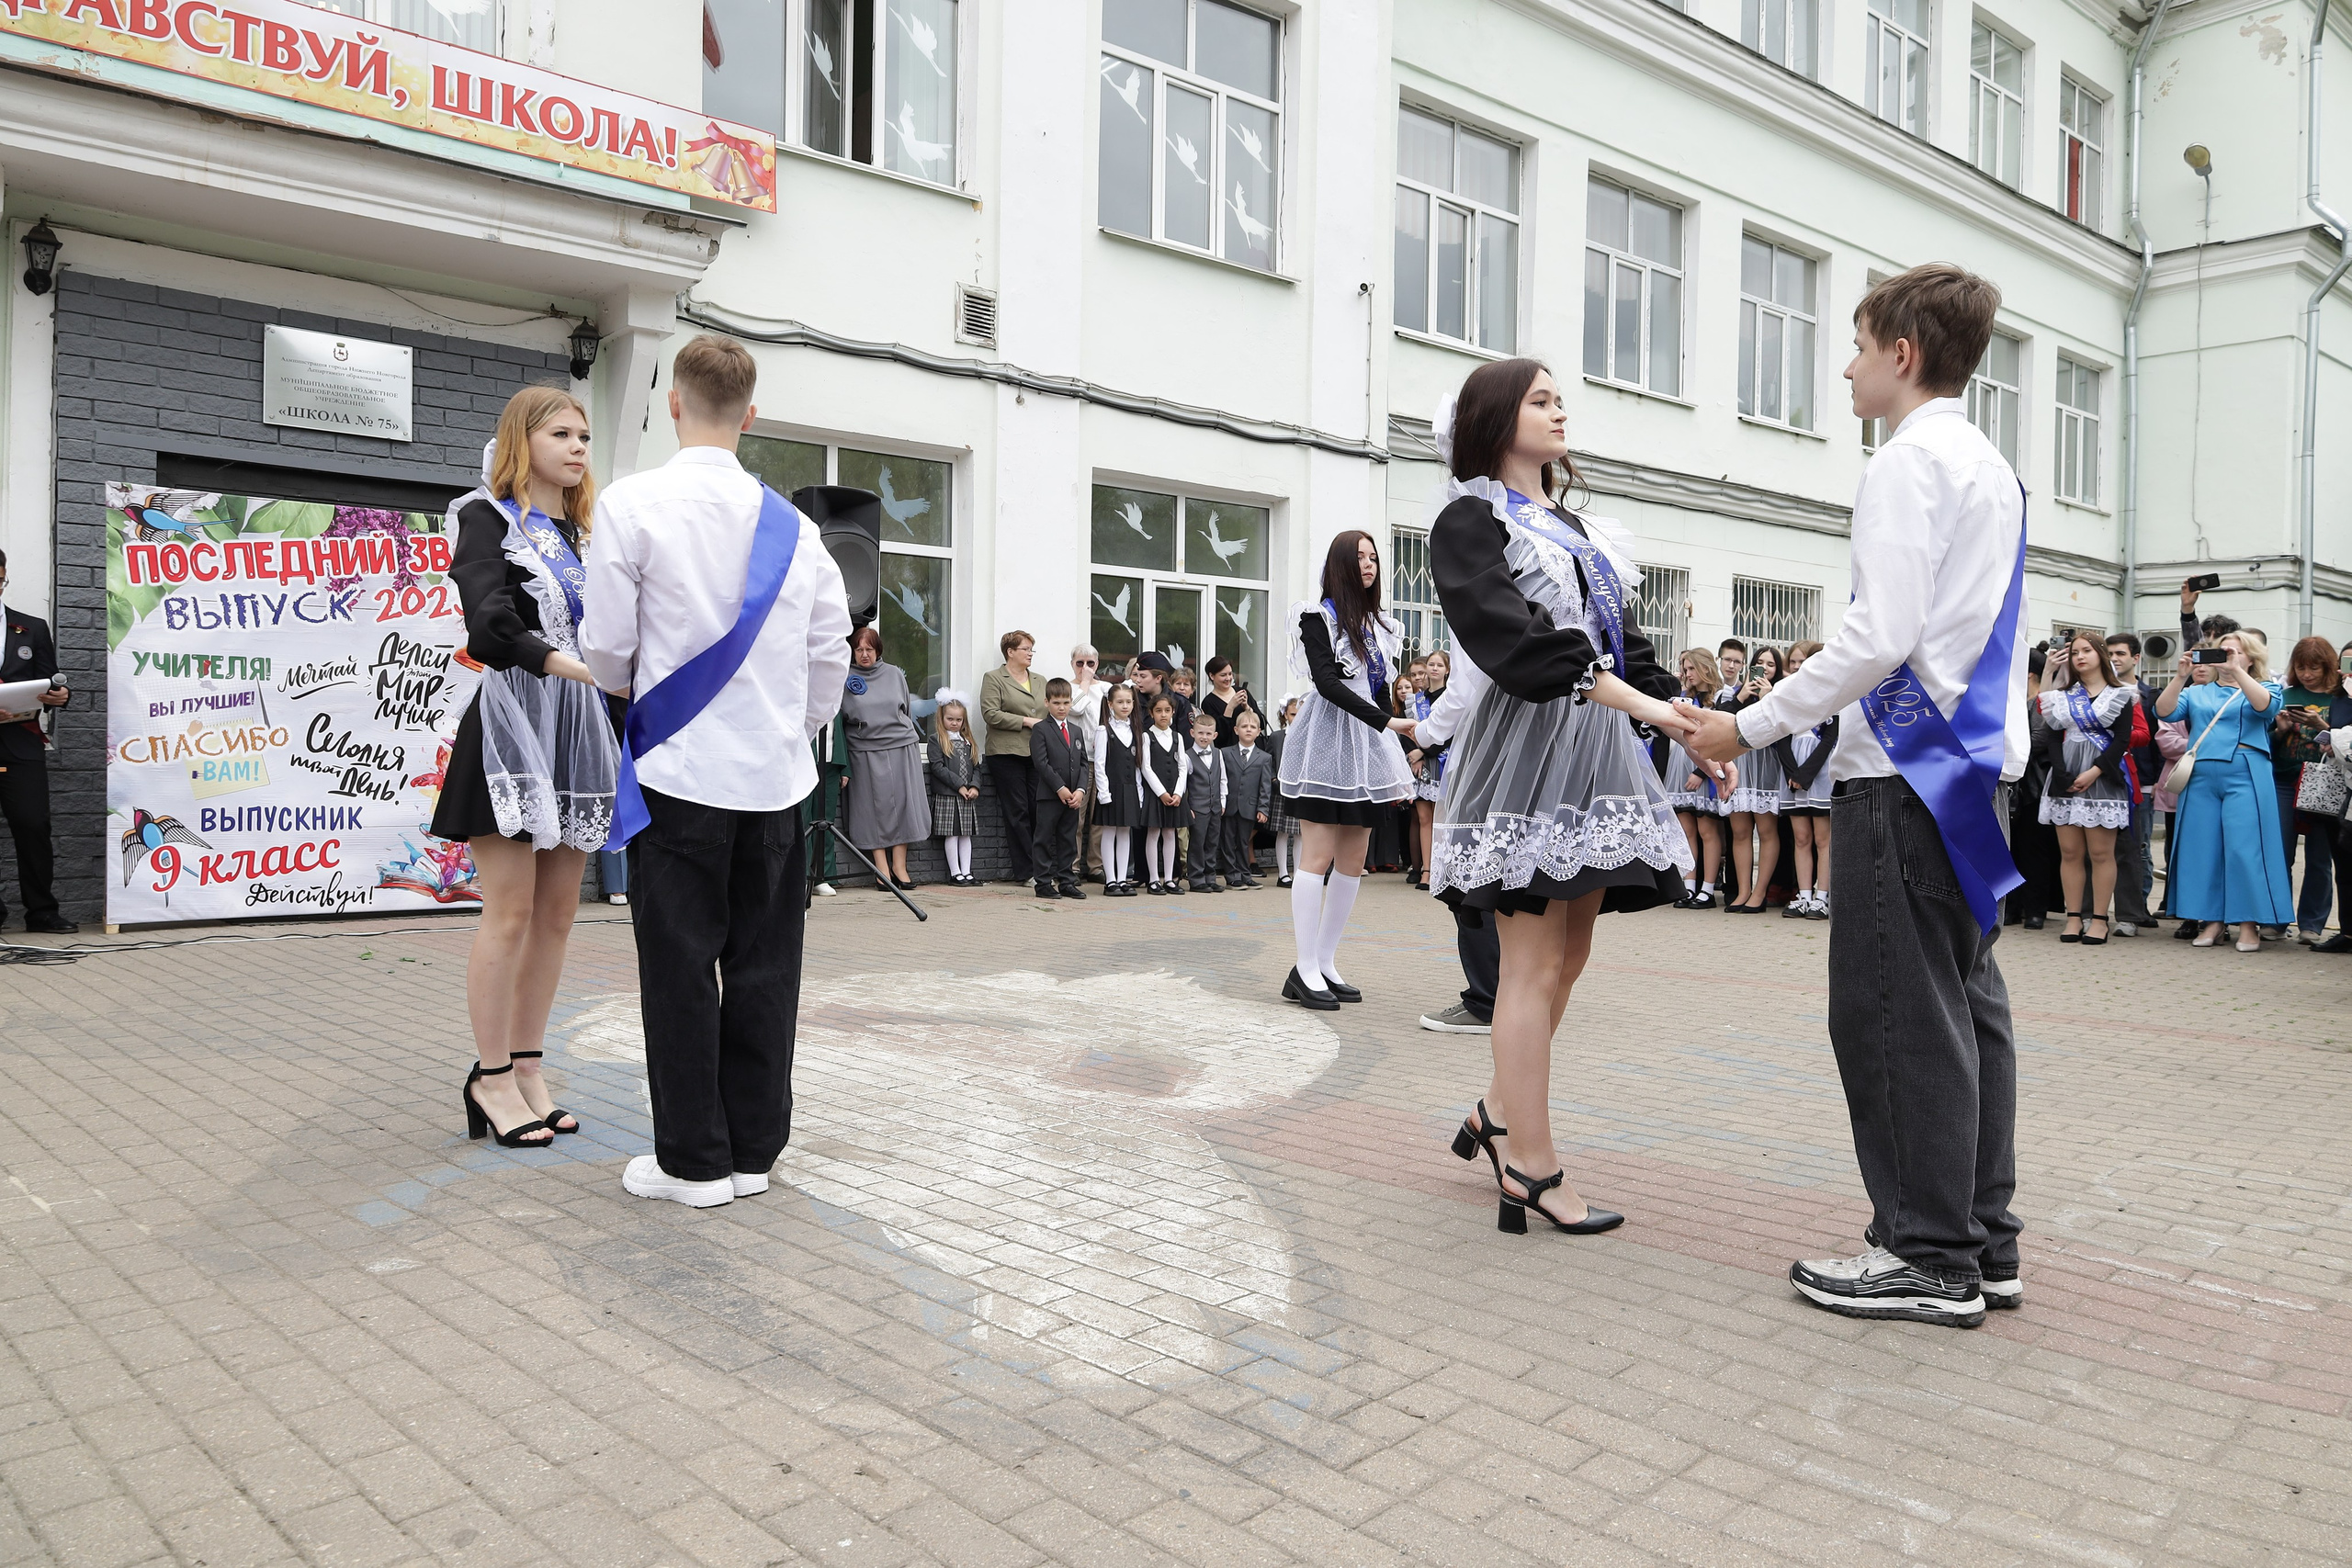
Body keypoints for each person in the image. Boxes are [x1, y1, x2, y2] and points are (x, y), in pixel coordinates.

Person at [1688, 264, 2027, 1327]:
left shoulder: (1905, 464)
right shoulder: (1990, 466)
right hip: (1973, 776)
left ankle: (1927, 1255)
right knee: (1967, 1009)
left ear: (1902, 355)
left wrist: (1743, 723)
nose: (1844, 364)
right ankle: (1983, 1239)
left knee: (1891, 1011)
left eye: (1856, 343)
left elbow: (1877, 640)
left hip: (1902, 780)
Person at [580, 333, 853, 1208]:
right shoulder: (801, 529)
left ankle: (692, 1161)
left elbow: (608, 650)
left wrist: (636, 694)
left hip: (678, 772)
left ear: (672, 403)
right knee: (767, 968)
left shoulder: (630, 503)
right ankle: (753, 1153)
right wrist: (789, 731)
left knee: (679, 967)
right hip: (777, 781)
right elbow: (830, 658)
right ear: (752, 412)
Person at [1427, 357, 1698, 1237]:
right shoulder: (1470, 520)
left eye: (1559, 398)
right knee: (1530, 963)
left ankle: (1497, 1116)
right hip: (1527, 753)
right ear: (1498, 416)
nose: (1558, 411)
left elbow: (1623, 642)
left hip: (1595, 753)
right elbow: (1517, 644)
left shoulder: (1575, 526)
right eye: (1540, 399)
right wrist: (1644, 703)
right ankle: (1532, 1169)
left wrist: (1687, 716)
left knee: (1570, 956)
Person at [434, 386, 621, 1150]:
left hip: (576, 732)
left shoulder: (585, 535)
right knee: (508, 912)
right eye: (560, 433)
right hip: (513, 723)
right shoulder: (484, 515)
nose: (578, 446)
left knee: (558, 914)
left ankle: (529, 1067)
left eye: (583, 434)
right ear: (523, 439)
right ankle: (490, 1075)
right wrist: (577, 670)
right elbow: (487, 621)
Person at [1276, 531, 1419, 1010]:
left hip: (1365, 748)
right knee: (1316, 855)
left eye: (1374, 557)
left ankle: (1325, 959)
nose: (1368, 564)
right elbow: (1328, 683)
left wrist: (1395, 734)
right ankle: (1303, 967)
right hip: (1325, 742)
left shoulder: (1381, 625)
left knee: (1354, 860)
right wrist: (1389, 722)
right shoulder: (1318, 617)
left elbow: (1378, 690)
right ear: (1340, 562)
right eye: (1359, 557)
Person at [2156, 632, 2292, 950]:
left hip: (2246, 771)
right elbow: (2164, 712)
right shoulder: (2199, 692)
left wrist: (2238, 672)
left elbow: (2265, 708)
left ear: (2251, 657)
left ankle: (2248, 924)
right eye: (2223, 651)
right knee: (2203, 849)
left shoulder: (2266, 687)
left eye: (2236, 650)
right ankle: (2212, 921)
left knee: (2245, 849)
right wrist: (2179, 677)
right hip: (2202, 773)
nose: (2228, 655)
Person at [1412, 646, 1497, 1036]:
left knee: (1470, 887)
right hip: (1537, 756)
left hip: (1487, 753)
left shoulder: (1477, 597)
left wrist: (1425, 732)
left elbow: (1463, 691)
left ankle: (1487, 1001)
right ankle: (1522, 994)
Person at [2036, 632, 2136, 945]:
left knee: (2101, 852)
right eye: (2075, 652)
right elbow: (2051, 735)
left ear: (2101, 655)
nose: (2080, 657)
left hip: (2102, 776)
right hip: (2065, 776)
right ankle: (2073, 917)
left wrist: (2094, 771)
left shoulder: (2121, 694)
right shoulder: (2062, 696)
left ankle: (2100, 919)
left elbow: (2121, 739)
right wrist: (2062, 773)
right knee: (2069, 852)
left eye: (2087, 650)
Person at [0, 551, 74, 934]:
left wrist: (61, 696)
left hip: (20, 743)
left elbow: (52, 682)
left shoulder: (30, 628)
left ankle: (42, 912)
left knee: (32, 823)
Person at [840, 626, 926, 891]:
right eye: (859, 649)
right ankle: (881, 868)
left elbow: (907, 711)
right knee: (871, 809)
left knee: (903, 805)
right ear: (852, 652)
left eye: (869, 649)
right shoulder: (844, 677)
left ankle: (900, 866)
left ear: (878, 651)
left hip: (901, 747)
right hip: (864, 750)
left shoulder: (894, 674)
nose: (864, 654)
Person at [2273, 636, 2341, 942]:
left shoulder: (2341, 697)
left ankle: (2311, 925)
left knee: (2319, 858)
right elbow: (2266, 743)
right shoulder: (2284, 694)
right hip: (2284, 779)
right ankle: (2276, 919)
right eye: (2301, 667)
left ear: (2328, 666)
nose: (2307, 674)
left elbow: (2345, 740)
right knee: (2280, 855)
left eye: (2314, 668)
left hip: (2324, 784)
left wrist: (2321, 725)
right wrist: (2280, 729)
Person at [980, 631, 1047, 886]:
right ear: (1010, 652)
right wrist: (1026, 721)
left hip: (1037, 753)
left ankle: (1041, 866)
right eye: (1026, 649)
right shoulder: (994, 678)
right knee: (1017, 811)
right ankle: (1027, 871)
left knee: (1037, 808)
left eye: (1032, 649)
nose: (1030, 653)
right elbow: (990, 713)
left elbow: (1051, 708)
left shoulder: (1040, 680)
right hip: (1006, 753)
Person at [2105, 632, 2161, 934]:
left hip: (2137, 779)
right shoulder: (2091, 690)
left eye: (2120, 653)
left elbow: (2153, 741)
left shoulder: (2148, 695)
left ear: (2135, 658)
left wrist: (2155, 781)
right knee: (2099, 852)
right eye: (2109, 653)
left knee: (2137, 849)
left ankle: (2135, 910)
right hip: (2097, 778)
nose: (2114, 659)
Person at [1724, 646, 1785, 910]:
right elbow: (1722, 717)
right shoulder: (1741, 691)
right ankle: (1743, 891)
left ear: (1777, 669)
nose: (1765, 669)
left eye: (1770, 665)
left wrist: (1770, 697)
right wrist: (1741, 696)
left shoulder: (1781, 692)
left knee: (1766, 830)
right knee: (1739, 831)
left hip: (1767, 763)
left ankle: (1760, 893)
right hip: (1740, 761)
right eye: (1760, 663)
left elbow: (1784, 726)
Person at [1667, 648, 1727, 908]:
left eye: (1692, 668)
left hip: (1704, 769)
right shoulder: (1683, 698)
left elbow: (1720, 740)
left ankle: (1708, 888)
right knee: (1686, 828)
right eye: (1685, 669)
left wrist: (1701, 772)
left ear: (1705, 668)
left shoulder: (1720, 698)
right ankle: (1688, 885)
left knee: (1707, 829)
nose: (1688, 674)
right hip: (1679, 766)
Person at [1029, 679, 1090, 900]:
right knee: (1043, 838)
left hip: (1073, 797)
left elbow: (1084, 763)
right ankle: (1043, 883)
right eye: (1056, 703)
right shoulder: (1040, 729)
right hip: (1050, 796)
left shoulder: (1076, 730)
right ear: (1047, 702)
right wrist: (1061, 788)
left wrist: (1081, 790)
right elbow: (1041, 763)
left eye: (1066, 702)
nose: (1062, 707)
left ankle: (1066, 881)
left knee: (1068, 839)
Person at [926, 691, 982, 887]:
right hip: (948, 795)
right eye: (950, 719)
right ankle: (955, 872)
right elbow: (937, 767)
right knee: (952, 833)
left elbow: (976, 766)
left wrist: (974, 786)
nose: (954, 723)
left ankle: (967, 872)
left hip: (967, 796)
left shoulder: (968, 741)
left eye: (959, 719)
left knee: (966, 833)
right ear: (941, 717)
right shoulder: (937, 740)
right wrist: (959, 785)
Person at [1091, 683, 1143, 896]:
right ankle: (1110, 880)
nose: (1125, 706)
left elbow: (1138, 765)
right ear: (1110, 704)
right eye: (1120, 702)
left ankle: (1123, 879)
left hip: (1130, 788)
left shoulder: (1135, 730)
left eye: (1128, 702)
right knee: (1109, 831)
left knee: (1125, 832)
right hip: (1111, 789)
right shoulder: (1104, 730)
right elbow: (1100, 764)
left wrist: (1139, 793)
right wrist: (1104, 793)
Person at [1137, 693, 1187, 894]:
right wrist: (1161, 793)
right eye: (1158, 711)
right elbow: (1145, 767)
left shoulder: (1178, 737)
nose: (1163, 715)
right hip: (1156, 794)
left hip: (1174, 794)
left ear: (1173, 712)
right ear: (1151, 713)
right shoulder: (1146, 736)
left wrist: (1177, 793)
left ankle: (1169, 879)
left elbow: (1183, 767)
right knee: (1154, 832)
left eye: (1167, 710)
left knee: (1170, 832)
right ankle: (1153, 879)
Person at [1067, 644, 1107, 883]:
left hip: (1101, 759)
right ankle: (1071, 867)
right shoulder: (1068, 687)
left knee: (1099, 817)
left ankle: (1096, 865)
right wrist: (1083, 683)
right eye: (1080, 663)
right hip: (1078, 760)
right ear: (1072, 664)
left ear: (1097, 664)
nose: (1085, 668)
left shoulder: (1106, 689)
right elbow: (1076, 708)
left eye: (1090, 664)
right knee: (1077, 817)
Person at [1223, 708, 1273, 888]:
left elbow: (1265, 785)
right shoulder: (1226, 753)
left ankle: (1245, 874)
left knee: (1244, 842)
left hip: (1249, 807)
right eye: (1244, 726)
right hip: (1229, 805)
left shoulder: (1264, 758)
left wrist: (1263, 808)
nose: (1248, 729)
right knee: (1228, 841)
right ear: (1236, 730)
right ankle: (1231, 876)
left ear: (1259, 732)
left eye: (1253, 727)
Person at [1182, 711, 1229, 892]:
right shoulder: (1187, 756)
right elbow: (1183, 784)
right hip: (1197, 808)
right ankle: (1196, 879)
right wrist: (1187, 807)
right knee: (1197, 844)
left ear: (1214, 735)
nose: (1204, 737)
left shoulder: (1218, 754)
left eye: (1208, 733)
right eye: (1200, 733)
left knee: (1212, 843)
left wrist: (1223, 802)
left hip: (1215, 807)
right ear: (1192, 733)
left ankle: (1210, 877)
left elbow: (1223, 779)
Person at [1264, 695, 1301, 886]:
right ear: (1285, 715)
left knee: (1301, 833)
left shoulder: (1307, 736)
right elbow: (1268, 760)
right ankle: (1282, 873)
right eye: (1293, 714)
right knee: (1283, 833)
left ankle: (1299, 873)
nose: (1297, 718)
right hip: (1281, 790)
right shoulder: (1277, 737)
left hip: (1301, 790)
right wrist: (1273, 779)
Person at [1200, 654, 1256, 749]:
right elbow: (1219, 734)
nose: (1228, 678)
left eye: (1230, 674)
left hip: (1252, 750)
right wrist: (1230, 707)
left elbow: (1261, 723)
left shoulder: (1242, 692)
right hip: (1228, 753)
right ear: (1212, 676)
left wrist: (1247, 707)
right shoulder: (1208, 702)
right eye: (1223, 675)